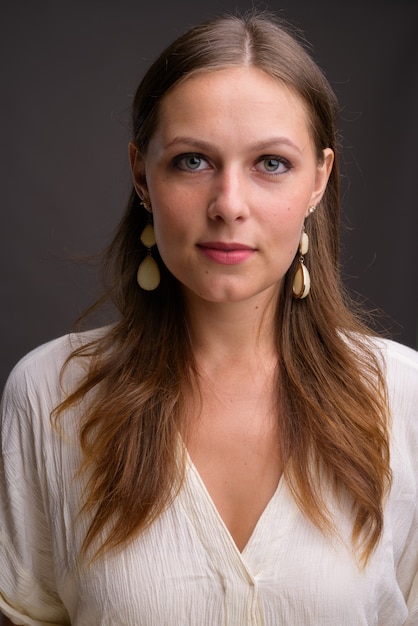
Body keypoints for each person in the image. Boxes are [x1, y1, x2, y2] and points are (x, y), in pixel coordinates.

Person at [1, 10, 417, 625]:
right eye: (193, 161)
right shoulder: (50, 395)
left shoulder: (402, 396)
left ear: (318, 181)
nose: (229, 205)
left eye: (271, 163)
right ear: (142, 174)